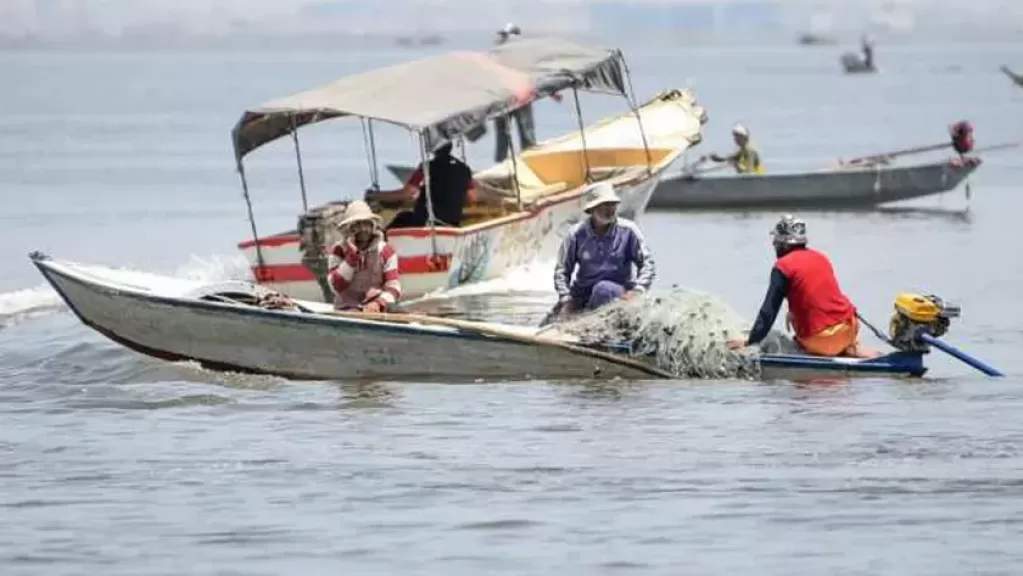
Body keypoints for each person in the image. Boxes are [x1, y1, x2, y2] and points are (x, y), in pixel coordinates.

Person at [726, 215, 878, 358]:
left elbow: (768, 311)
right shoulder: (821, 257)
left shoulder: (783, 266)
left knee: (776, 338)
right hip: (849, 329)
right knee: (805, 314)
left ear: (785, 243)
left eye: (776, 240)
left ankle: (827, 350)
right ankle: (851, 348)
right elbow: (820, 296)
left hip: (820, 340)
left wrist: (750, 342)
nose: (773, 244)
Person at [550, 182, 656, 320]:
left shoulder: (628, 231)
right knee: (551, 320)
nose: (610, 209)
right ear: (592, 210)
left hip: (616, 295)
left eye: (612, 204)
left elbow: (648, 264)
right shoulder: (576, 234)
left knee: (603, 289)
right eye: (604, 205)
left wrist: (637, 290)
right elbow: (562, 271)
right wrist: (566, 299)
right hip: (581, 295)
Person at [367, 140, 477, 229]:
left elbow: (406, 193)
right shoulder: (464, 169)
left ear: (434, 148)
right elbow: (472, 198)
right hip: (452, 223)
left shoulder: (426, 167)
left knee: (402, 218)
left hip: (426, 222)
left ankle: (382, 249)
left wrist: (375, 195)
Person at [326, 200, 402, 313]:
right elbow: (336, 286)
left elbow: (394, 286)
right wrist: (351, 257)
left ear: (373, 226)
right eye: (357, 225)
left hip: (379, 308)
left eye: (366, 223)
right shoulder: (338, 250)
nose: (363, 229)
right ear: (348, 229)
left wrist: (378, 303)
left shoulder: (386, 251)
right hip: (347, 309)